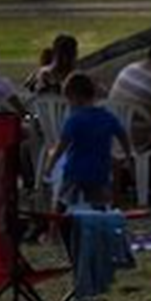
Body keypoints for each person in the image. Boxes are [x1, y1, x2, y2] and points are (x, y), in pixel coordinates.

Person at [43, 73, 133, 210]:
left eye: (69, 101)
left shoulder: (74, 120)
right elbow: (122, 134)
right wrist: (127, 154)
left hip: (75, 173)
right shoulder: (107, 117)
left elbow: (61, 147)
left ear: (75, 97)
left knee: (62, 203)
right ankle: (100, 226)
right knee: (99, 204)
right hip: (100, 172)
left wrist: (49, 166)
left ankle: (55, 228)